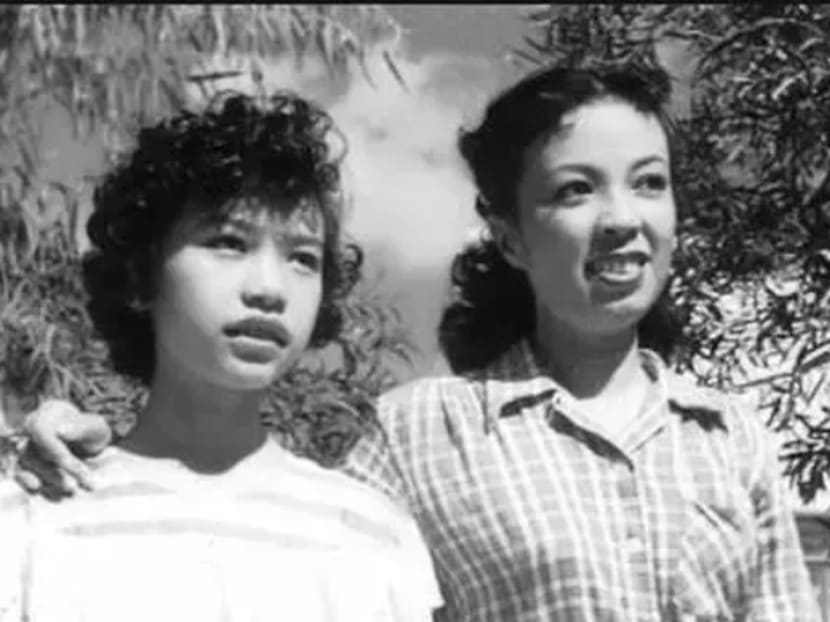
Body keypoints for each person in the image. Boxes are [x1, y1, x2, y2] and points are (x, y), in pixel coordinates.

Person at [12, 63, 819, 620]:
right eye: (576, 189)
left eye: (650, 182)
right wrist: (47, 434)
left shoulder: (732, 437)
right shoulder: (416, 436)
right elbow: (214, 488)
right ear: (508, 235)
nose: (622, 218)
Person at [0, 90, 441, 621]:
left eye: (303, 258)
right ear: (141, 274)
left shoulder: (371, 533)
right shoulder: (34, 516)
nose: (270, 289)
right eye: (228, 243)